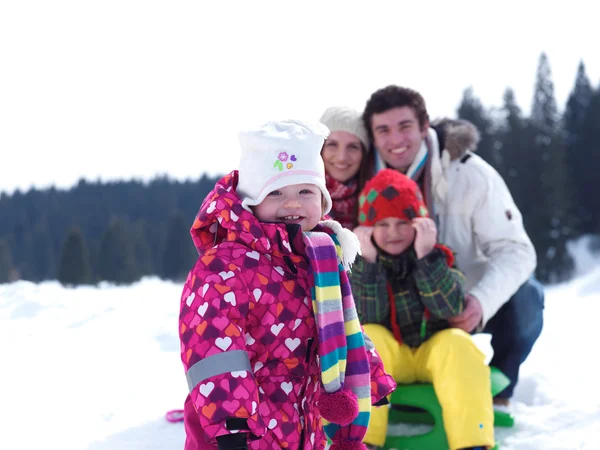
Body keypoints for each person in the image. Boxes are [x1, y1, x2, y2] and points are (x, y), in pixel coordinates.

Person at [178, 119, 396, 450]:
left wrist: (371, 375)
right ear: (251, 202)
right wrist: (232, 423)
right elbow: (213, 346)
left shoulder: (320, 255)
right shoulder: (225, 265)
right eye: (276, 192)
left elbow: (341, 325)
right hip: (237, 428)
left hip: (300, 417)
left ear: (322, 201)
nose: (292, 204)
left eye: (305, 192)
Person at [360, 85, 544, 408]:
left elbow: (517, 250)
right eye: (383, 130)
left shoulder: (470, 175)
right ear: (372, 136)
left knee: (528, 299)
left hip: (457, 300)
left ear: (424, 126)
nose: (395, 140)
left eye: (405, 126)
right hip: (393, 309)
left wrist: (480, 302)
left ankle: (495, 391)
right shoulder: (362, 178)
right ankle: (377, 390)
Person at [351, 168, 494, 450]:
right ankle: (364, 440)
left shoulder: (438, 257)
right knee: (368, 337)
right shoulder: (360, 265)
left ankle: (472, 442)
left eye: (402, 223)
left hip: (434, 355)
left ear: (419, 224)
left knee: (458, 343)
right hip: (390, 359)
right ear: (367, 229)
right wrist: (367, 263)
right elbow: (364, 316)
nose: (393, 233)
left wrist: (427, 257)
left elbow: (450, 307)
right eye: (382, 224)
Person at [319, 106, 372, 229]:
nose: (341, 157)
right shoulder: (298, 194)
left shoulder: (377, 197)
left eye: (353, 147)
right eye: (332, 144)